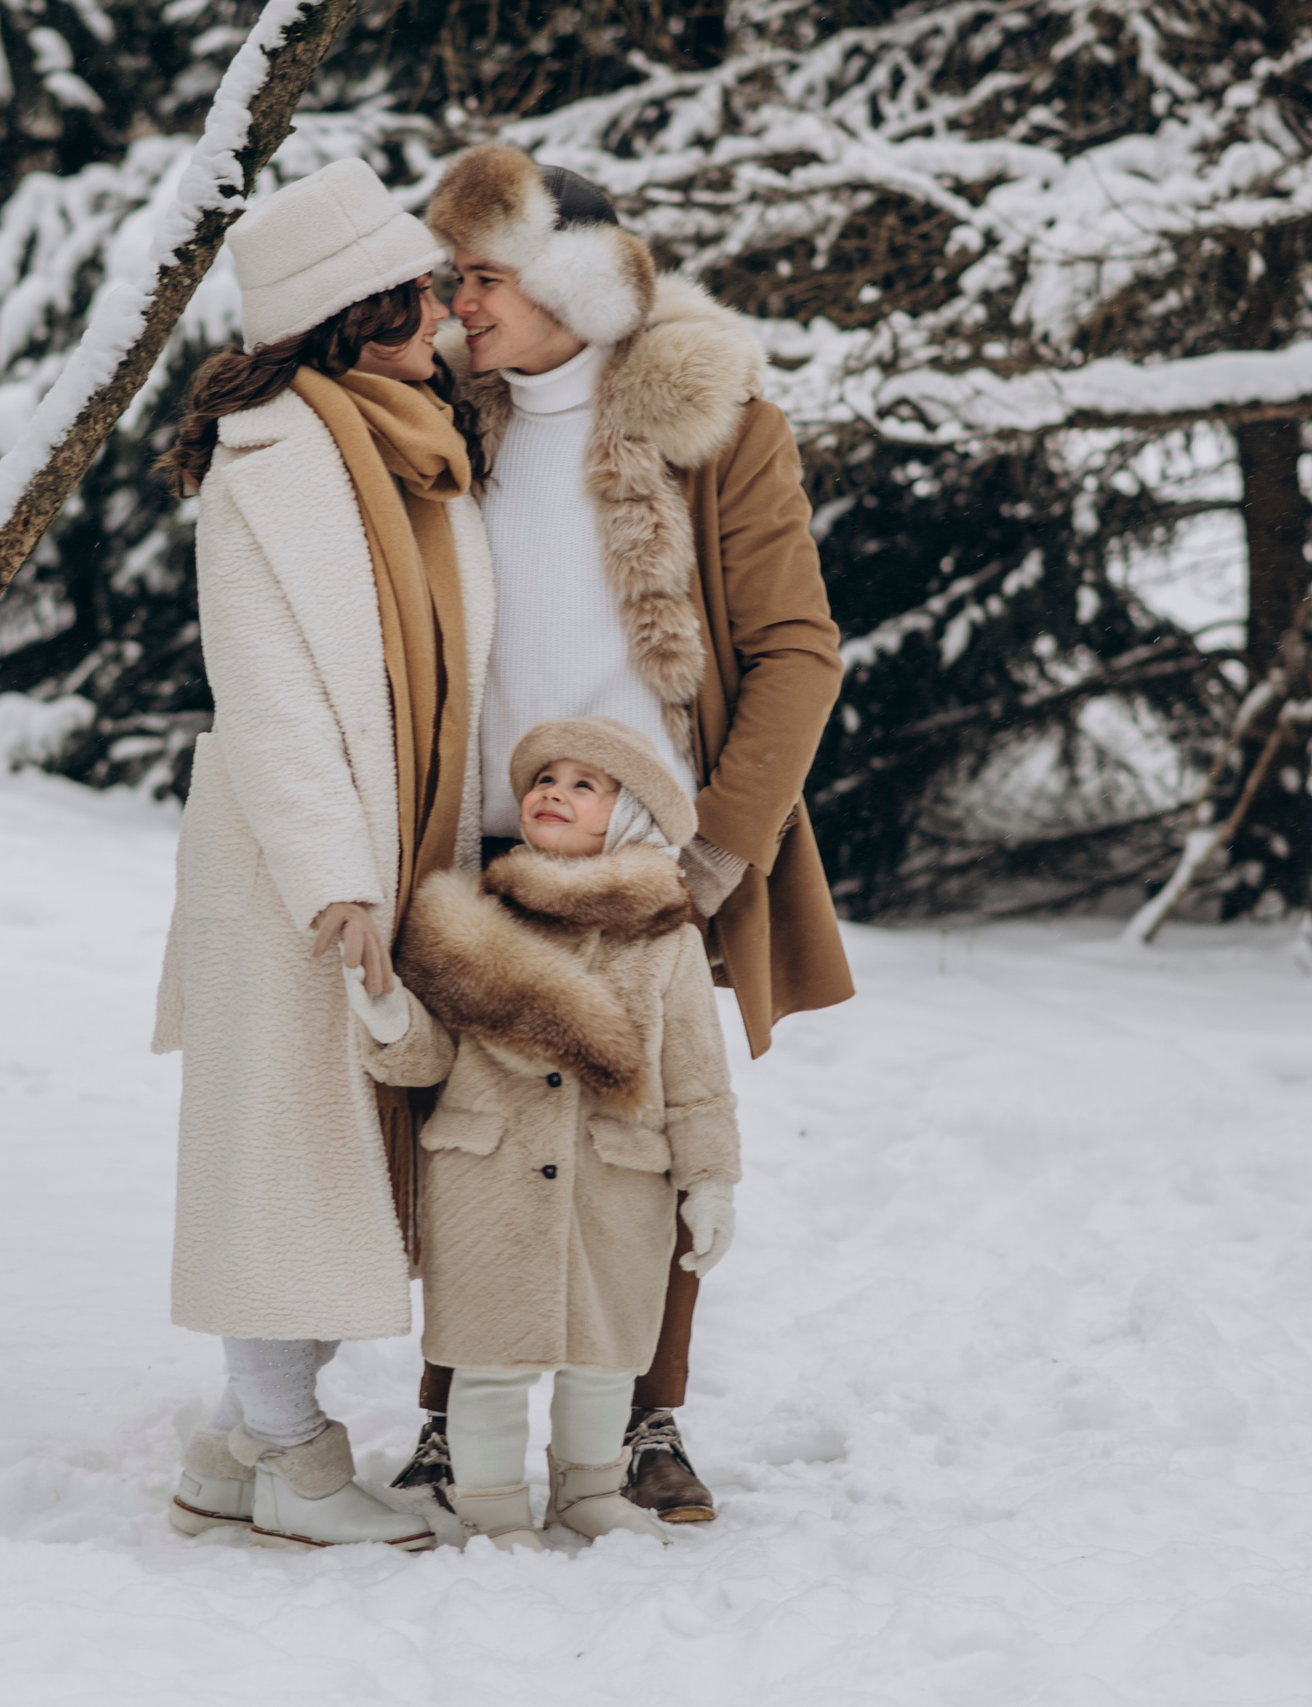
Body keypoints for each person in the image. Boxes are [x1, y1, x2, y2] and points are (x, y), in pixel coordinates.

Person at [390, 144, 855, 1523]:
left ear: (576, 284)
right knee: (466, 1133)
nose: (459, 302)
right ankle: (451, 1418)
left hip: (652, 853)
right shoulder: (441, 421)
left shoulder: (716, 427)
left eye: (484, 275)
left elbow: (798, 650)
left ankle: (647, 1414)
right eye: (454, 276)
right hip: (478, 846)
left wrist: (715, 852)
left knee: (641, 1128)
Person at [149, 158, 496, 1550]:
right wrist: (336, 881)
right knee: (289, 1162)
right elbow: (269, 694)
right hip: (299, 870)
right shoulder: (271, 464)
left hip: (407, 845)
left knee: (345, 1159)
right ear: (353, 312)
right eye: (418, 293)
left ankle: (235, 1448)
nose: (444, 313)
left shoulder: (425, 445)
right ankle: (292, 1456)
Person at [353, 717, 740, 1550]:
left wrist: (711, 1181)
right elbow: (430, 1060)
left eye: (583, 783)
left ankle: (589, 1489)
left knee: (605, 1359)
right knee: (487, 1360)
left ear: (628, 814)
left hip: (618, 1180)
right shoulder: (464, 921)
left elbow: (698, 1076)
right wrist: (389, 1018)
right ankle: (490, 1504)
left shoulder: (667, 939)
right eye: (541, 779)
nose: (552, 792)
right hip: (485, 1175)